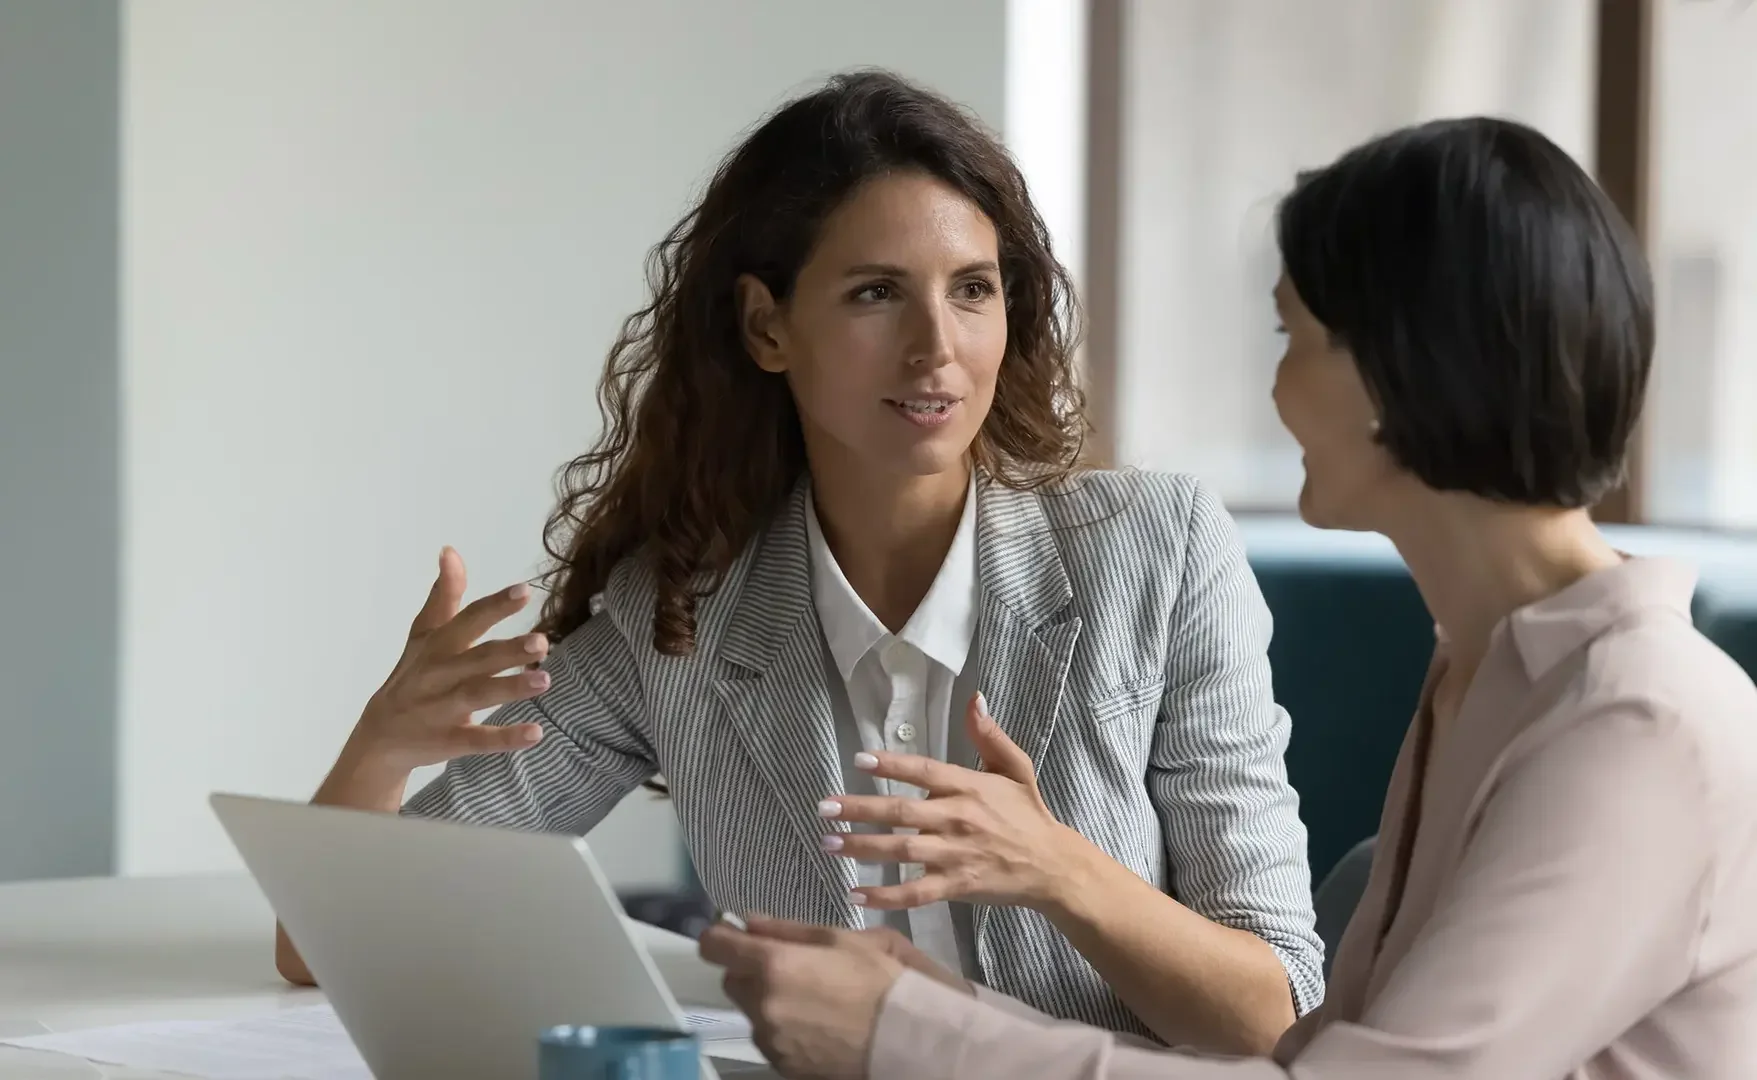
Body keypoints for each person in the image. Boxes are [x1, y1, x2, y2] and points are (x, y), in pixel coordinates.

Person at [273, 69, 1325, 1053]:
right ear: (766, 325)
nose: (936, 347)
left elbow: (1280, 1014)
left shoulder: (1156, 550)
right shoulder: (674, 620)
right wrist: (382, 743)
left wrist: (1062, 875)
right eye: (875, 294)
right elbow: (321, 949)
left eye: (972, 290)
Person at [698, 116, 1757, 1079]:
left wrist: (913, 1038)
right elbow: (1321, 1058)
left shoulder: (1634, 721)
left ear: (1399, 373)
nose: (1275, 389)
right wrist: (950, 1008)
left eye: (1291, 336)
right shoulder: (1481, 673)